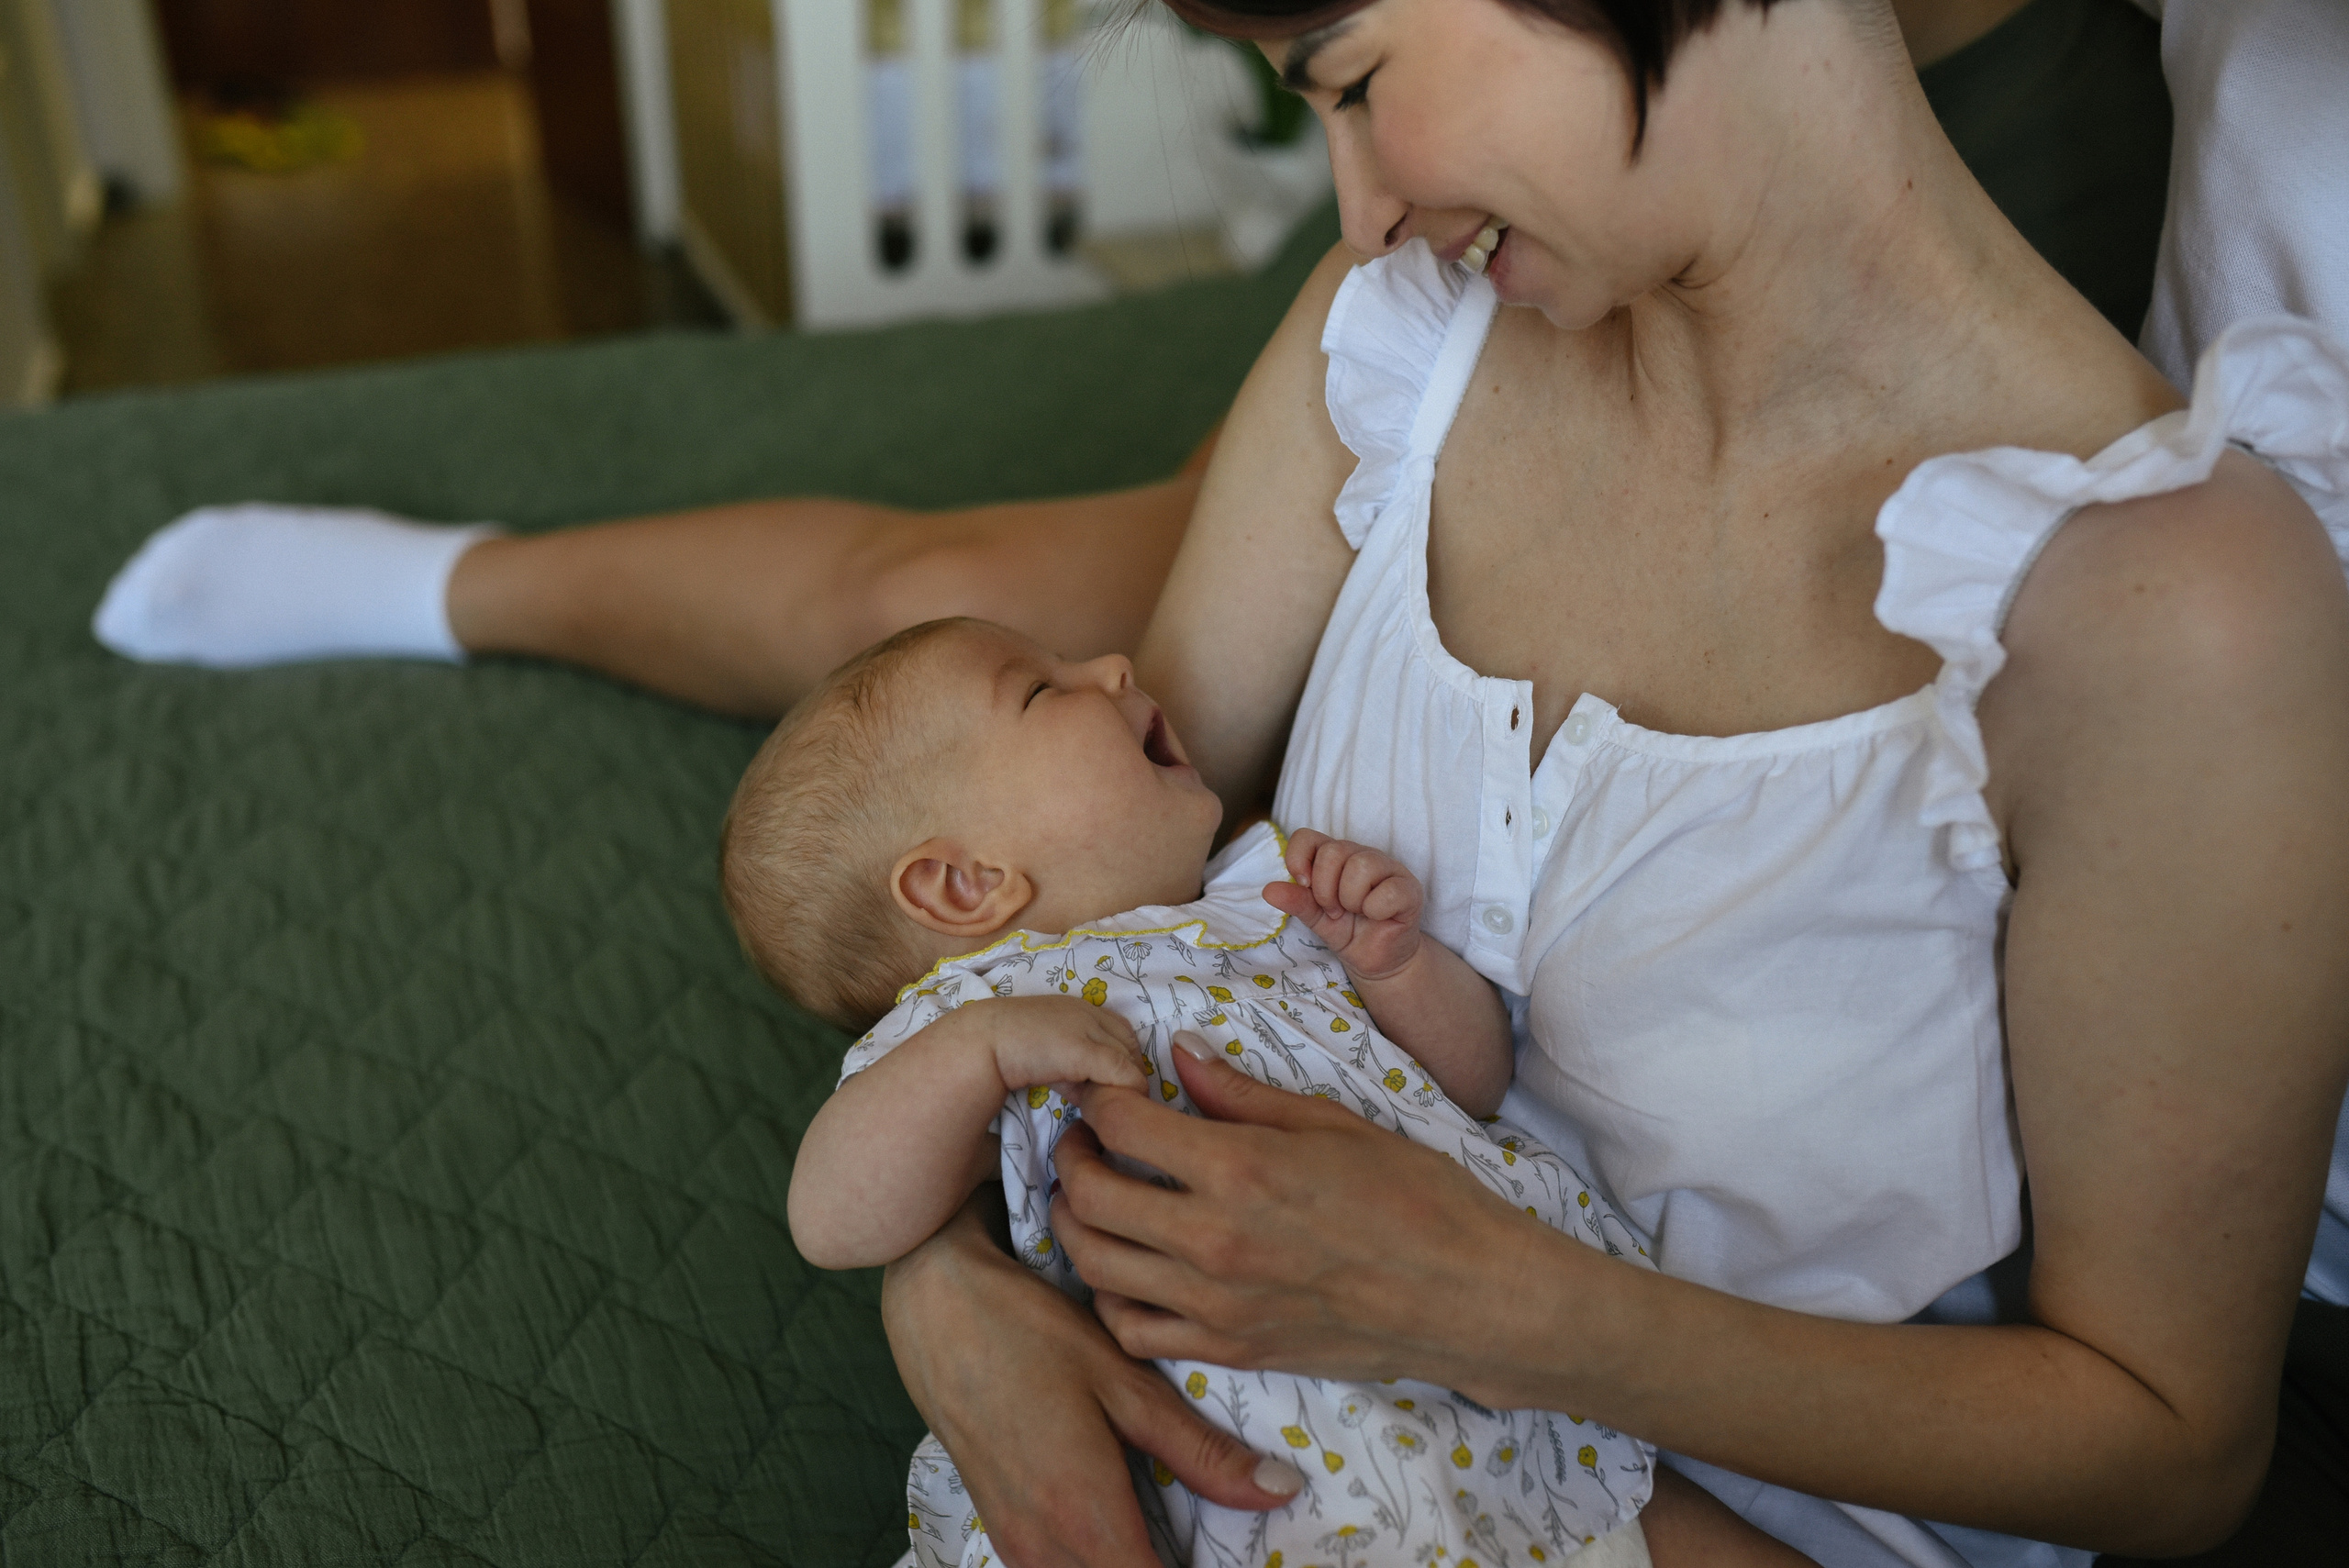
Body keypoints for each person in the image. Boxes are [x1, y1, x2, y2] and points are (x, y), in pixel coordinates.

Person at [87, 0, 2171, 721]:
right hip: (1491, 369)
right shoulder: (1410, 279)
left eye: (1340, 80)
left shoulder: (2067, 173)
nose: (1343, 194)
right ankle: (450, 584)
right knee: (931, 613)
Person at [730, 616, 1808, 1567]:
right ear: (965, 884)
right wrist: (978, 1054)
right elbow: (832, 1219)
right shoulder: (970, 1013)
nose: (1111, 661)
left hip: (1488, 1395)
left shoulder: (1265, 893)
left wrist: (1393, 966)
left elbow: (1469, 1085)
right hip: (1227, 1474)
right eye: (1042, 687)